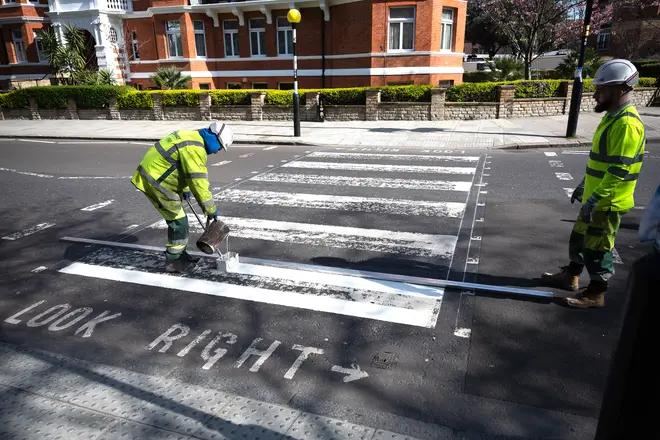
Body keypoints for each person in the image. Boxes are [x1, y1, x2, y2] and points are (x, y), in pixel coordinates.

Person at [541, 59, 646, 308]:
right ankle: (571, 276)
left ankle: (596, 293)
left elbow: (618, 169)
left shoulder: (627, 124)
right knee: (579, 238)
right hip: (594, 196)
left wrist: (597, 198)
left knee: (598, 248)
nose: (595, 94)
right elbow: (601, 161)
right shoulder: (611, 119)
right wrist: (583, 184)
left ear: (620, 89)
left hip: (608, 201)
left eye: (601, 89)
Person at [131, 121, 234, 273]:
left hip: (156, 175)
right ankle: (173, 261)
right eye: (219, 146)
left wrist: (185, 188)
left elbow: (181, 167)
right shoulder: (195, 148)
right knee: (179, 222)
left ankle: (181, 255)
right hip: (157, 182)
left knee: (179, 219)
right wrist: (210, 209)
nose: (218, 151)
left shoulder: (192, 136)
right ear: (214, 137)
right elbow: (198, 182)